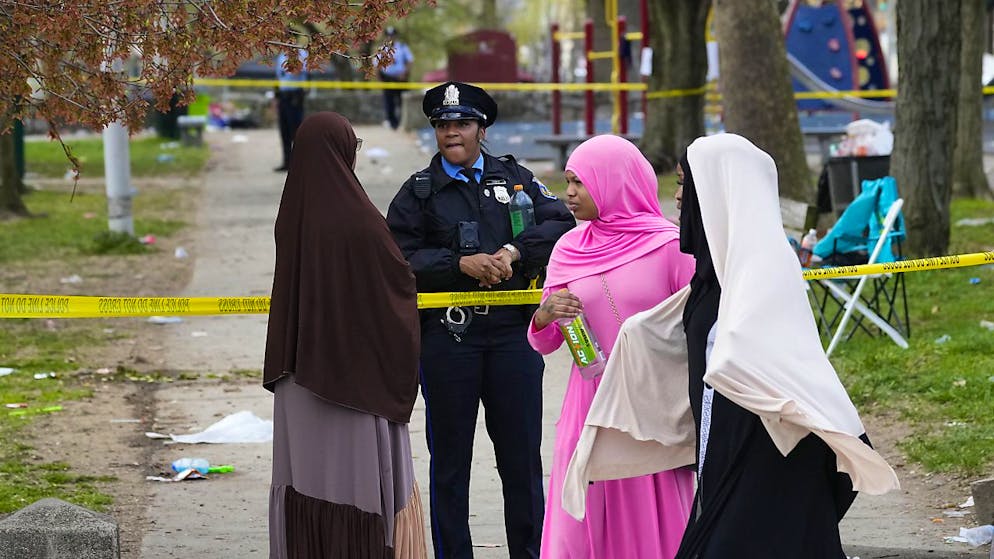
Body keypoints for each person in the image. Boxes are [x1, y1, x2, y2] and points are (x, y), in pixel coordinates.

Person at [559, 133, 899, 558]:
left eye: (686, 184)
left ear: (715, 191)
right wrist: (638, 334)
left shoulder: (761, 271)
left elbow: (764, 352)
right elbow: (683, 322)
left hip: (767, 450)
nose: (678, 197)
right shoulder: (714, 271)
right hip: (724, 443)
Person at [386, 81, 575, 559]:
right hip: (451, 338)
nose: (452, 133)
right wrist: (457, 263)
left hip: (514, 336)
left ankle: (529, 553)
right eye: (443, 126)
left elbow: (559, 222)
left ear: (481, 128)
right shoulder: (419, 192)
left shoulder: (516, 180)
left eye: (462, 124)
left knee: (521, 461)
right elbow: (396, 257)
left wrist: (513, 251)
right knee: (450, 465)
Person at [265, 112, 427, 559]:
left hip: (298, 378)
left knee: (306, 480)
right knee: (352, 485)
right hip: (355, 385)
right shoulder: (359, 220)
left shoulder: (291, 212)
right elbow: (398, 284)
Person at [527, 135, 696, 558]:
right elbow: (545, 341)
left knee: (650, 504)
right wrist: (544, 316)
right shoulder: (568, 248)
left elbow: (696, 324)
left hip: (649, 404)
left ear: (614, 182)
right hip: (589, 401)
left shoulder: (670, 245)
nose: (569, 193)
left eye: (580, 183)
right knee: (585, 514)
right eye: (568, 182)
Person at [273, 48, 308, 172]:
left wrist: (293, 59)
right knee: (284, 131)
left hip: (295, 95)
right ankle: (287, 162)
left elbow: (298, 71)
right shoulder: (281, 55)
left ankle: (300, 164)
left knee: (297, 131)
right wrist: (276, 95)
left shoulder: (301, 54)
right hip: (283, 95)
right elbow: (278, 77)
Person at [378, 27, 413, 130]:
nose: (390, 38)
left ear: (395, 36)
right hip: (387, 78)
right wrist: (380, 79)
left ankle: (403, 123)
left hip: (401, 79)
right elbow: (377, 65)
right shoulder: (381, 49)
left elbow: (410, 61)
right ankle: (392, 123)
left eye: (392, 35)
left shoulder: (402, 47)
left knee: (402, 101)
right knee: (389, 102)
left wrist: (405, 72)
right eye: (388, 35)